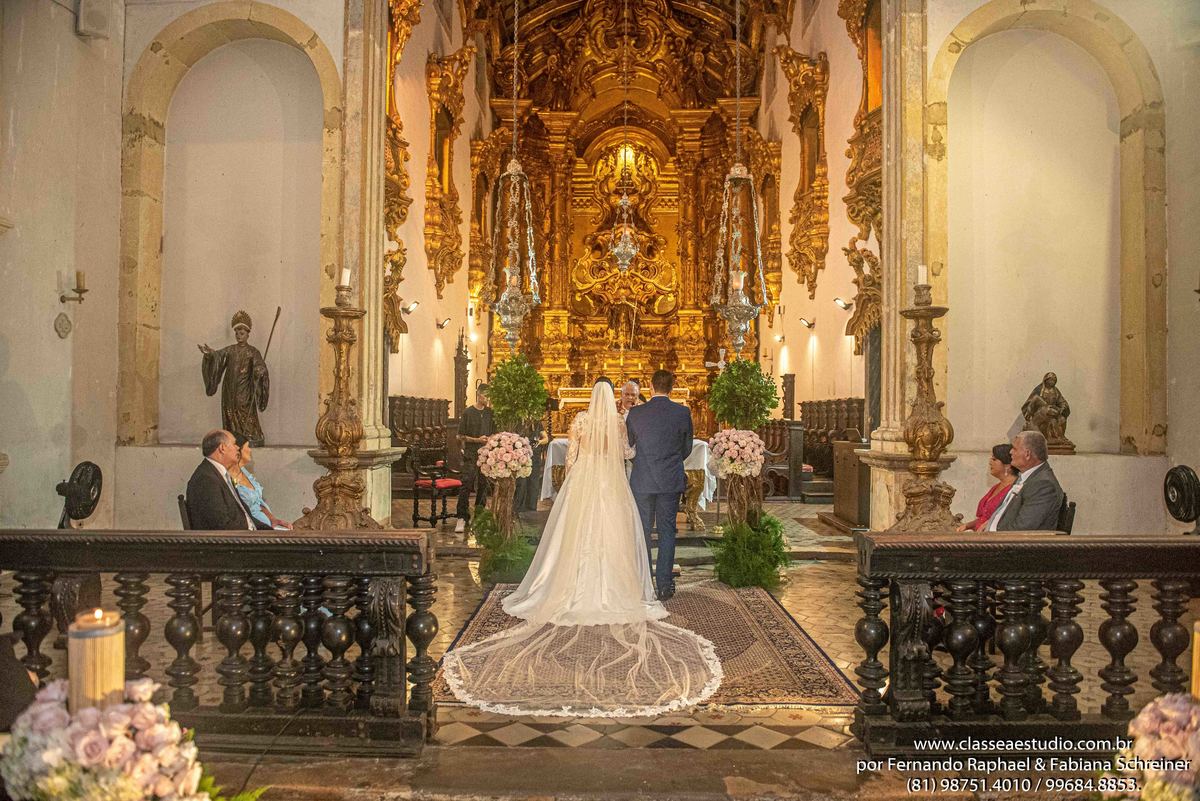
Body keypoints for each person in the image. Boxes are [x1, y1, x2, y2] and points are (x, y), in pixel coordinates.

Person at [441, 378, 721, 718]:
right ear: (612, 398)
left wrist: (572, 489)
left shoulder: (580, 422)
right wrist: (637, 452)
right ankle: (628, 585)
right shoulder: (621, 421)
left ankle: (571, 585)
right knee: (620, 535)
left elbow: (571, 459)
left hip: (585, 483)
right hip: (614, 484)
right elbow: (628, 453)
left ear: (591, 395)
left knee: (575, 538)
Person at [625, 369, 693, 601]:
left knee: (642, 530)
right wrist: (670, 462)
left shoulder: (635, 413)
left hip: (642, 480)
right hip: (669, 480)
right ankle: (664, 584)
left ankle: (644, 582)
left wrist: (644, 462)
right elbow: (686, 448)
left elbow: (630, 447)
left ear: (651, 387)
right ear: (672, 388)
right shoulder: (682, 412)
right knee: (666, 531)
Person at [199, 310, 270, 447]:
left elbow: (259, 366)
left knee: (245, 411)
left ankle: (250, 435)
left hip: (244, 390)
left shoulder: (253, 351)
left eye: (242, 333)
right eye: (237, 333)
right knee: (230, 411)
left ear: (248, 334)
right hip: (229, 390)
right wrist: (210, 354)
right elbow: (218, 356)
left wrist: (260, 370)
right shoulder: (231, 350)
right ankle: (232, 437)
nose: (239, 336)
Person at [185, 430, 271, 531]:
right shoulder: (206, 479)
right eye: (234, 444)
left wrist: (270, 531)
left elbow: (245, 516)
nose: (238, 448)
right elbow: (221, 524)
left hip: (246, 537)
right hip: (234, 542)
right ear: (222, 448)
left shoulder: (219, 474)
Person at [984, 430, 1065, 531]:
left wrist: (990, 538)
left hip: (1009, 544)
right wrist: (989, 524)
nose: (1010, 452)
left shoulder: (1043, 485)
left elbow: (1021, 530)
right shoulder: (1028, 477)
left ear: (1027, 454)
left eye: (1014, 448)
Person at [229, 434, 292, 530]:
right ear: (238, 450)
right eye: (247, 447)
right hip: (250, 529)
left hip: (267, 526)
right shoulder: (227, 476)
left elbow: (258, 502)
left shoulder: (244, 471)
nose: (250, 450)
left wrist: (272, 519)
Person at [455, 383, 495, 534]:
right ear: (479, 395)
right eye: (486, 396)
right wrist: (477, 440)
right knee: (466, 484)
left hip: (486, 454)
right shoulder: (468, 412)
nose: (488, 399)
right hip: (471, 454)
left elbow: (495, 433)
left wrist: (489, 438)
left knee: (483, 485)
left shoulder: (491, 413)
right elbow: (459, 436)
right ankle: (462, 517)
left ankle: (479, 517)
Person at [956, 444, 1018, 532]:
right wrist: (967, 526)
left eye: (994, 459)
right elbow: (984, 518)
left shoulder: (1016, 489)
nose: (990, 462)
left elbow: (1006, 519)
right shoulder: (996, 487)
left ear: (1007, 465)